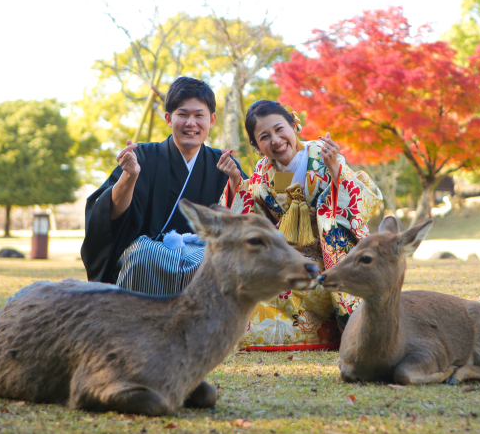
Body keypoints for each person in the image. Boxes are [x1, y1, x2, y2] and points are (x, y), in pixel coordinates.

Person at [217, 100, 383, 351]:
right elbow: (249, 220)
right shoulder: (263, 175)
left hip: (332, 260)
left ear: (294, 126)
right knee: (246, 306)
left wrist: (336, 170)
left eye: (279, 129)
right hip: (289, 264)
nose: (275, 140)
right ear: (256, 146)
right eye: (264, 137)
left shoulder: (322, 155)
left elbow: (366, 203)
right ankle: (318, 328)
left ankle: (345, 322)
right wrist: (233, 182)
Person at [81, 76, 244, 285]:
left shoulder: (223, 164)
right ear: (168, 118)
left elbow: (242, 218)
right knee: (141, 257)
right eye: (182, 114)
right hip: (148, 262)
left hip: (205, 261)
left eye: (199, 115)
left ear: (211, 120)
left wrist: (234, 182)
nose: (191, 123)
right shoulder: (143, 157)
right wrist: (129, 176)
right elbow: (107, 215)